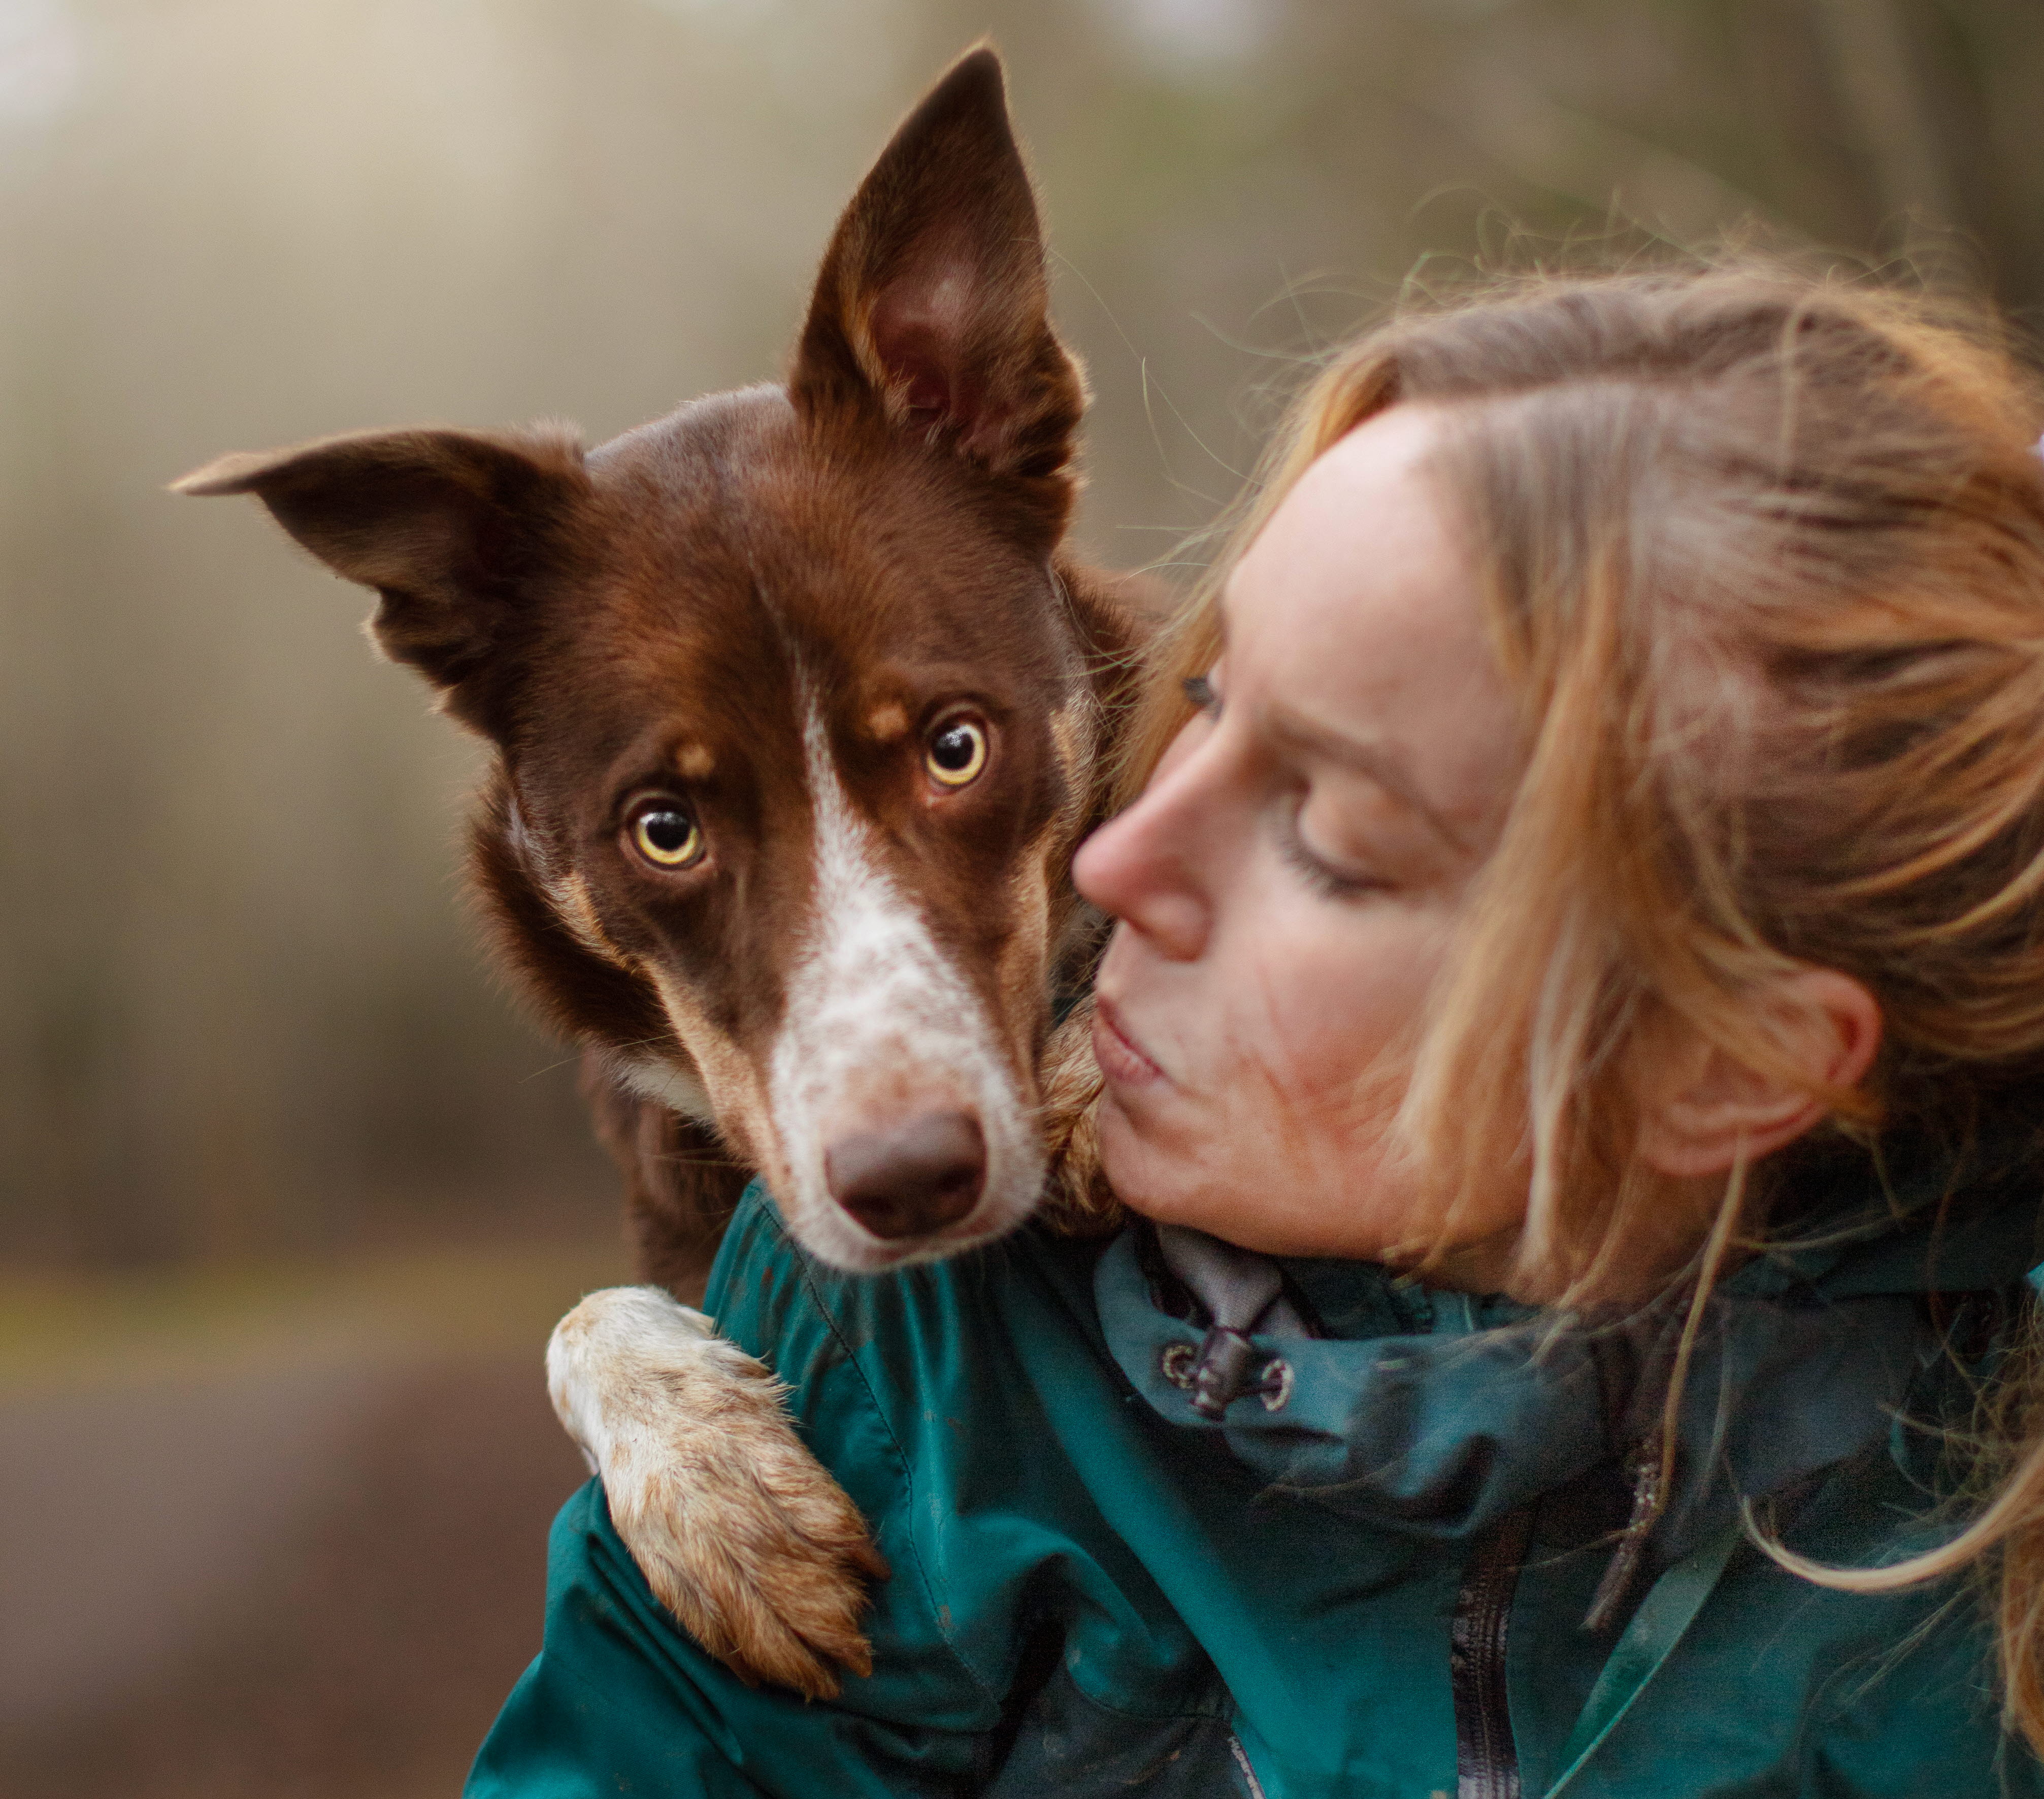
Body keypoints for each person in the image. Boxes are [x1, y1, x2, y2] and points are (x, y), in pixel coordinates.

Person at [466, 265, 2044, 1797]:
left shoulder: (1975, 1551)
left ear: (1734, 1062)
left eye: (1332, 834)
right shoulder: (911, 1350)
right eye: (1206, 706)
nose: (1110, 854)